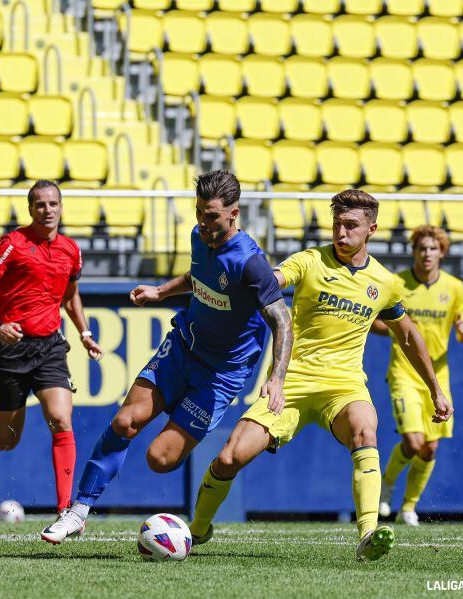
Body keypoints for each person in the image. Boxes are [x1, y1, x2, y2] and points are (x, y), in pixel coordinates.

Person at [187, 189, 453, 562]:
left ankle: (368, 533)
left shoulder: (384, 282)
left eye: (351, 226)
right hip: (290, 381)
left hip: (343, 386)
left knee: (365, 429)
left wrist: (435, 389)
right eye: (336, 224)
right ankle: (197, 529)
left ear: (371, 229)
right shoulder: (310, 261)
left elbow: (408, 334)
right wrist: (242, 269)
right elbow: (274, 279)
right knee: (230, 457)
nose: (341, 233)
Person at [39, 169, 293, 544]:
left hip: (220, 375)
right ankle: (77, 512)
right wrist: (161, 292)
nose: (203, 224)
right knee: (125, 421)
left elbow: (282, 321)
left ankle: (202, 515)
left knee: (160, 459)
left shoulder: (251, 263)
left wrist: (276, 377)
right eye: (199, 213)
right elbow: (197, 277)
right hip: (183, 347)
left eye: (212, 216)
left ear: (234, 213)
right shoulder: (197, 237)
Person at [0, 180, 104, 515]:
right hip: (9, 351)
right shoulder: (13, 243)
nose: (48, 210)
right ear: (30, 209)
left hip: (49, 348)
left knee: (61, 418)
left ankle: (65, 510)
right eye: (40, 205)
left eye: (53, 204)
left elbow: (70, 296)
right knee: (6, 440)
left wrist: (85, 334)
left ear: (61, 207)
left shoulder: (71, 250)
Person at [373, 225, 463, 526]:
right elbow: (375, 321)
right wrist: (398, 329)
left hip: (438, 376)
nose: (426, 254)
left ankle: (408, 508)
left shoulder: (454, 287)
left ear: (442, 252)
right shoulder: (398, 283)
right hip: (404, 371)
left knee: (430, 447)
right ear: (414, 251)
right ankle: (386, 486)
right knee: (414, 442)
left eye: (432, 248)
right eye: (421, 248)